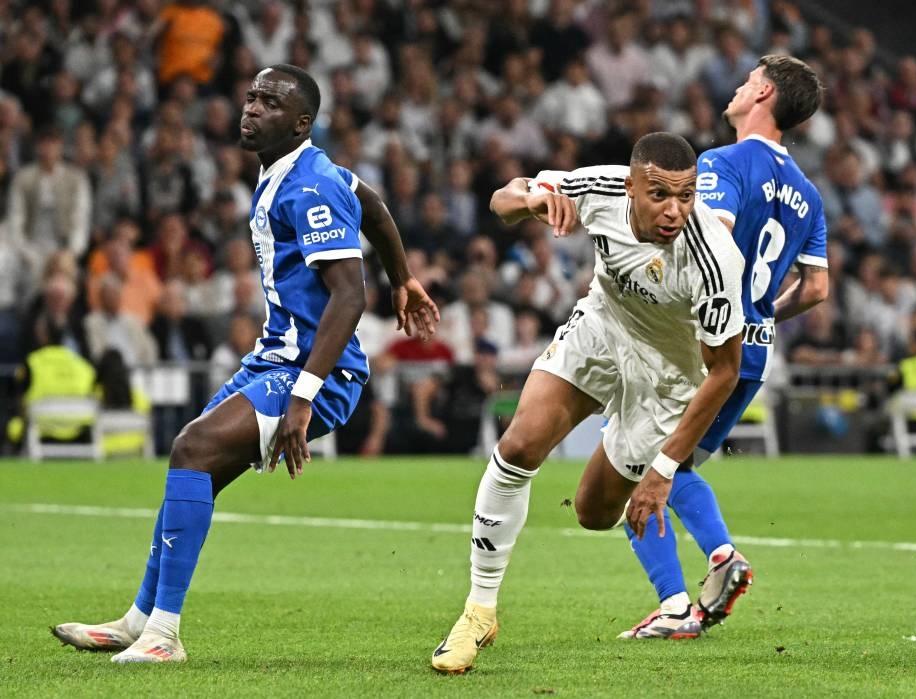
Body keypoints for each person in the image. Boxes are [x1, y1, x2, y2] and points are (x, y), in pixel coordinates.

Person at [51, 64, 439, 663]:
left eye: (270, 102)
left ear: (302, 122)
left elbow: (349, 296)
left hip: (318, 371)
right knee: (194, 467)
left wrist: (305, 398)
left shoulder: (308, 185)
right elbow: (373, 202)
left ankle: (163, 637)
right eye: (251, 96)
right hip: (273, 360)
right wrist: (405, 276)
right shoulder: (295, 171)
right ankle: (140, 620)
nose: (252, 108)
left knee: (191, 448)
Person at [431, 132, 746, 675]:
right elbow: (501, 200)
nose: (674, 210)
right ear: (630, 187)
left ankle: (689, 561)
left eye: (687, 196)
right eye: (660, 195)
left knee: (594, 513)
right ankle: (478, 611)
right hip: (601, 329)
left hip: (669, 378)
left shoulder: (715, 260)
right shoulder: (599, 188)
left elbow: (724, 372)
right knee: (519, 445)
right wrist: (530, 199)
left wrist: (664, 470)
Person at [620, 55, 829, 639]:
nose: (735, 88)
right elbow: (816, 289)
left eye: (744, 81)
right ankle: (697, 584)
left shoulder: (722, 163)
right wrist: (762, 318)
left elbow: (709, 237)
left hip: (702, 345)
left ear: (762, 91)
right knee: (676, 465)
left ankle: (695, 584)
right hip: (753, 354)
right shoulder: (809, 193)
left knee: (638, 465)